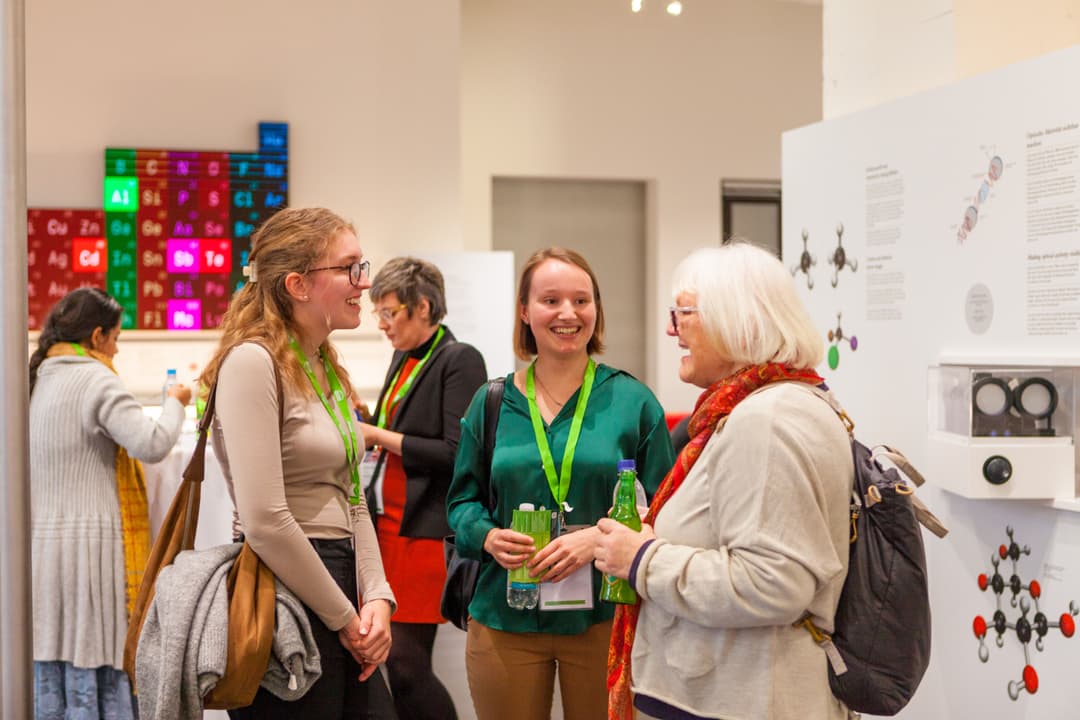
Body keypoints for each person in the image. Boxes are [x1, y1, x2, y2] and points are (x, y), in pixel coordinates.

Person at [594, 242, 855, 720]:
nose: (671, 328)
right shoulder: (781, 403)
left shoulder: (764, 420)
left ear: (736, 319)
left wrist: (642, 558)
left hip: (744, 699)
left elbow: (771, 583)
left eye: (684, 313)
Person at [447, 247, 675, 720]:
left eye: (581, 300)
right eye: (550, 300)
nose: (568, 313)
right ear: (525, 311)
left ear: (596, 310)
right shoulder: (491, 402)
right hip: (506, 613)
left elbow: (667, 508)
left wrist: (598, 539)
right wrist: (487, 536)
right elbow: (462, 503)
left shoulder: (632, 402)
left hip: (605, 618)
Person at [198, 207, 397, 717]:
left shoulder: (324, 363)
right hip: (286, 589)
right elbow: (266, 521)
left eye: (362, 266)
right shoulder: (253, 362)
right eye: (349, 268)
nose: (365, 282)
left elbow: (352, 497)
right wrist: (345, 619)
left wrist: (377, 597)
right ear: (298, 284)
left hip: (339, 585)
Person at [30, 287, 192, 720]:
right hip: (91, 549)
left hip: (43, 549)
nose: (117, 349)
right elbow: (151, 443)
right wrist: (174, 403)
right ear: (97, 336)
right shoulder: (95, 379)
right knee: (94, 661)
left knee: (54, 663)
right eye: (116, 338)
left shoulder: (39, 376)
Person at [362, 257, 487, 720]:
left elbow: (456, 452)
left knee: (406, 665)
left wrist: (377, 434)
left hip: (423, 529)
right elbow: (401, 430)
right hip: (387, 523)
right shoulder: (404, 355)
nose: (382, 324)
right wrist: (368, 421)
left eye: (389, 312)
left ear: (424, 307)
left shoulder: (460, 359)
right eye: (378, 312)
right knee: (392, 663)